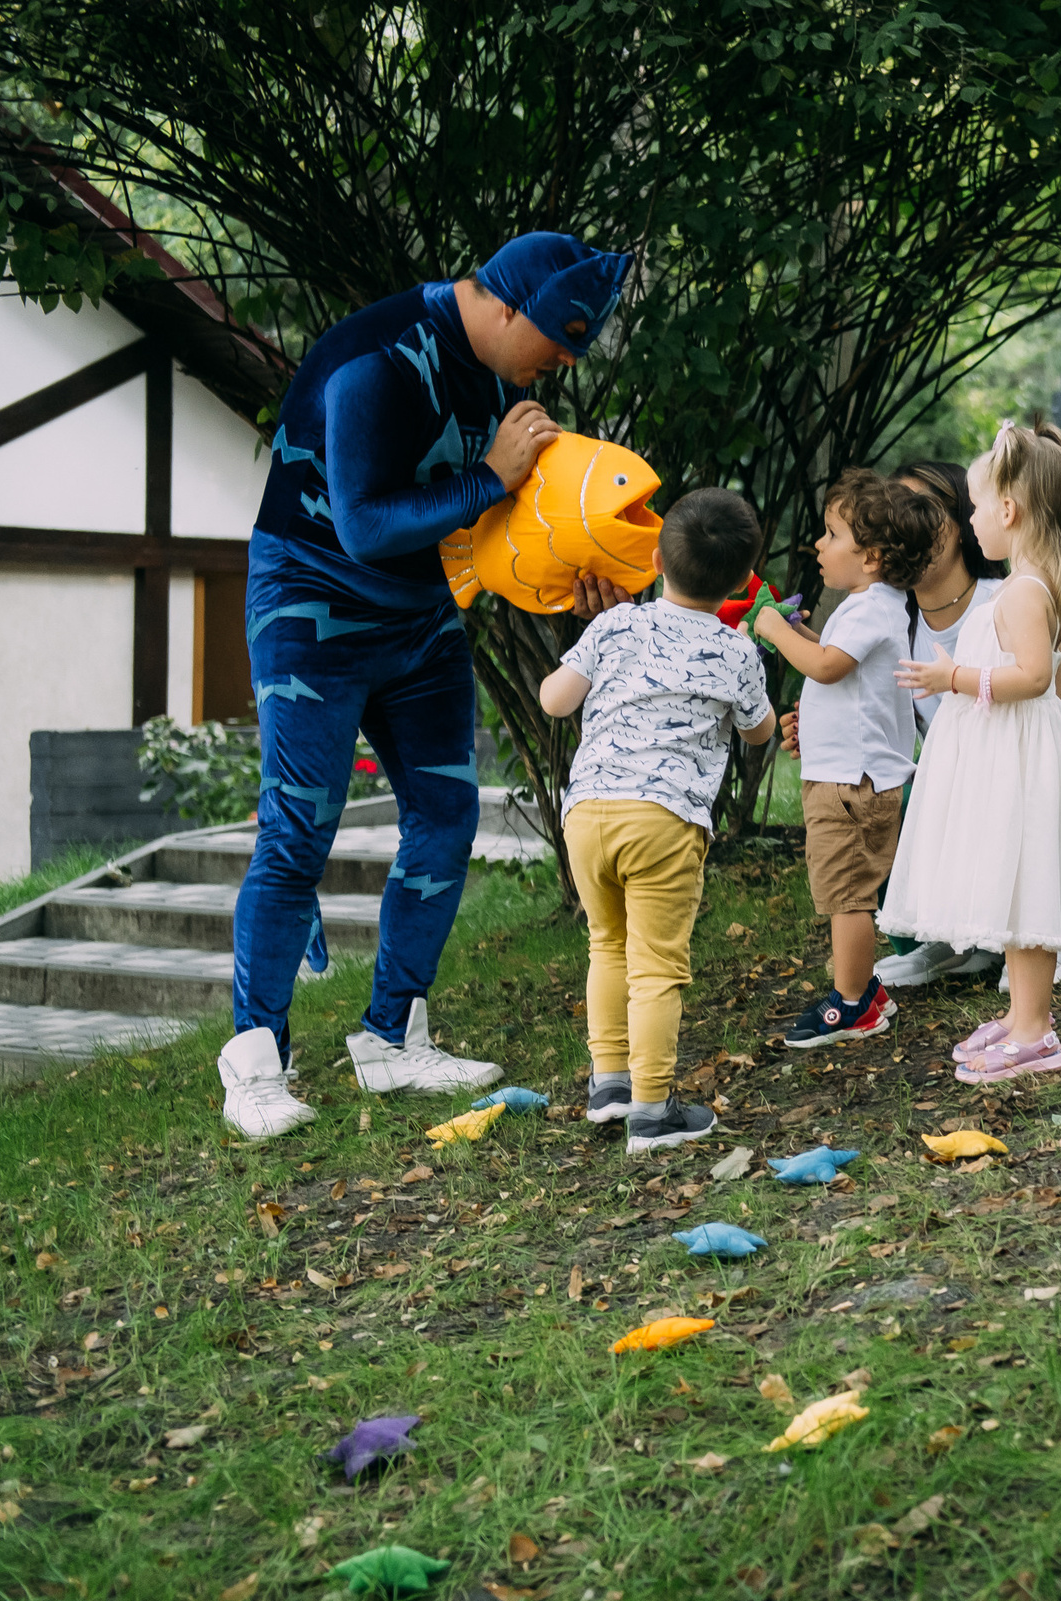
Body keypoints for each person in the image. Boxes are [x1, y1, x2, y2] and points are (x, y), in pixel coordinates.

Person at [218, 230, 634, 1140]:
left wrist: (577, 579)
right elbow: (366, 524)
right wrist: (490, 474)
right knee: (298, 831)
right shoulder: (375, 361)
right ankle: (254, 1058)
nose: (564, 362)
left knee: (446, 816)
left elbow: (508, 525)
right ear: (508, 305)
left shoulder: (505, 379)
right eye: (561, 339)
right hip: (312, 604)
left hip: (420, 617)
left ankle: (392, 1036)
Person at [536, 490, 778, 1152]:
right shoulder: (735, 651)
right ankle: (651, 1110)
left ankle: (608, 1083)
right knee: (657, 966)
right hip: (664, 820)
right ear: (739, 582)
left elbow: (555, 701)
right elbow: (758, 733)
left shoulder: (616, 625)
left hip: (587, 813)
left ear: (654, 560)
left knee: (606, 944)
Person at [882, 423, 1061, 1083]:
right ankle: (1020, 1013)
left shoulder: (1024, 594)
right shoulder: (1023, 589)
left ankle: (1036, 1029)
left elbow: (1035, 675)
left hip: (1022, 765)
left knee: (1027, 896)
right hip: (1015, 762)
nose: (972, 519)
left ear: (1008, 511)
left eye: (977, 506)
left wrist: (955, 678)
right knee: (1015, 897)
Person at [873, 459, 1061, 990]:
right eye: (889, 512)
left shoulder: (1015, 599)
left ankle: (1053, 934)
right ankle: (951, 939)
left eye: (917, 508)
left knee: (1005, 786)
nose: (899, 522)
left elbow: (1051, 705)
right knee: (877, 799)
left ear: (965, 519)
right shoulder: (886, 626)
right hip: (986, 806)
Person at [752, 470, 943, 1047]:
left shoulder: (870, 609)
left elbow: (827, 667)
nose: (818, 544)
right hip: (847, 776)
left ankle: (852, 1003)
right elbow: (841, 674)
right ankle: (866, 993)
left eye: (832, 534)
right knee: (846, 891)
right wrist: (802, 634)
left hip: (852, 786)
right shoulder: (870, 605)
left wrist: (770, 630)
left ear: (872, 557)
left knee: (847, 898)